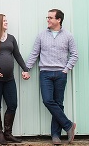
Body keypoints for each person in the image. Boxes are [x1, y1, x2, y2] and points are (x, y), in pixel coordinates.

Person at [25, 9, 79, 144]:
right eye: (47, 17)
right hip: (45, 74)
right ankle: (68, 125)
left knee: (59, 104)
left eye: (50, 17)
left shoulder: (68, 36)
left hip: (61, 74)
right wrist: (27, 69)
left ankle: (56, 136)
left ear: (58, 20)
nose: (47, 20)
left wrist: (66, 69)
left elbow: (74, 55)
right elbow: (34, 54)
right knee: (48, 100)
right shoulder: (41, 35)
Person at [0, 14, 31, 145]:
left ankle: (8, 133)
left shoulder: (11, 38)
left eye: (6, 20)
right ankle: (0, 134)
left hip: (9, 79)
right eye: (4, 21)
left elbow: (17, 56)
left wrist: (25, 69)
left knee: (12, 104)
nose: (6, 22)